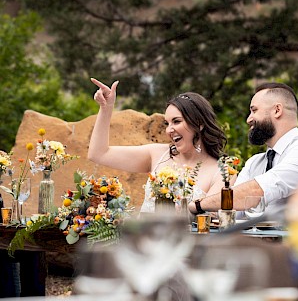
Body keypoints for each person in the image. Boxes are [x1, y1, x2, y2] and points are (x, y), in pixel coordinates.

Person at [188, 82, 298, 220]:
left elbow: (255, 192)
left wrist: (198, 205)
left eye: (254, 110)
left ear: (277, 110)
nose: (248, 119)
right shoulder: (255, 162)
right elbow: (232, 208)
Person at [88, 78, 235, 212]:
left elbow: (215, 223)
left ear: (199, 124)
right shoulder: (157, 154)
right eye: (167, 123)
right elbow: (98, 154)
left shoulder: (222, 174)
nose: (169, 130)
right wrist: (106, 108)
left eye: (176, 121)